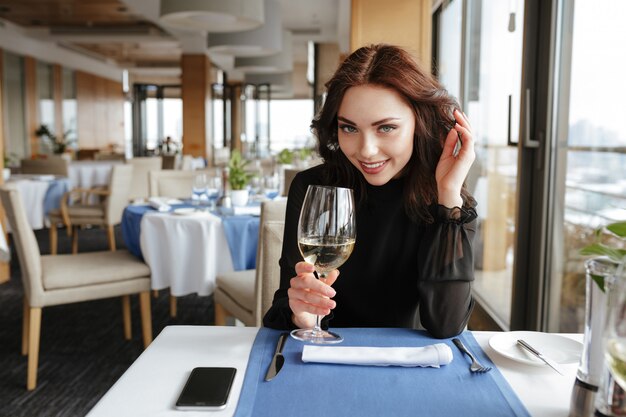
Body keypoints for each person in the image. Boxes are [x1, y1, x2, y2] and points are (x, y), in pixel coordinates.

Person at [263, 44, 477, 339]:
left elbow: (446, 325)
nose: (366, 150)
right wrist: (302, 314)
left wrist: (450, 192)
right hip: (326, 360)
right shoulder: (313, 188)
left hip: (408, 367)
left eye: (386, 128)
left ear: (419, 122)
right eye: (349, 128)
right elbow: (282, 309)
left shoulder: (446, 200)